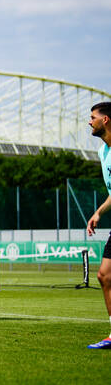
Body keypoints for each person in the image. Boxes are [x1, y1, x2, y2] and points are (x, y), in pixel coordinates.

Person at [86, 101, 111, 349]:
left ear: (106, 120)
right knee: (104, 276)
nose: (89, 121)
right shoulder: (103, 152)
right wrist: (99, 212)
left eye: (92, 117)